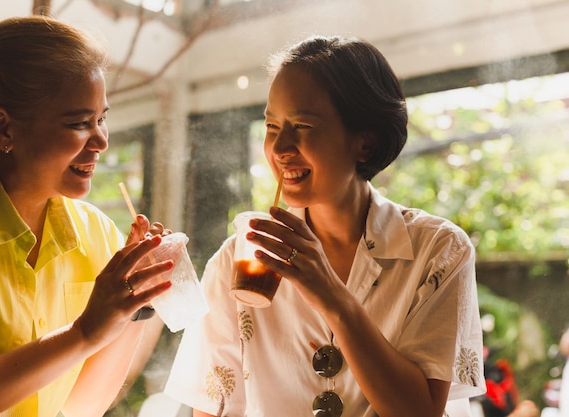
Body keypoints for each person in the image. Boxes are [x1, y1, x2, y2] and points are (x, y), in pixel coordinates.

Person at [164, 35, 486, 416]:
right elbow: (212, 409)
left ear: (364, 143)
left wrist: (333, 296)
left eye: (302, 125)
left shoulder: (437, 250)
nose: (280, 148)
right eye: (271, 126)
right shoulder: (238, 258)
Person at [0, 16, 174, 417]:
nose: (102, 141)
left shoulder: (97, 232)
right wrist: (83, 333)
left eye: (102, 118)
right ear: (2, 127)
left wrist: (137, 302)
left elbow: (83, 406)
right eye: (79, 123)